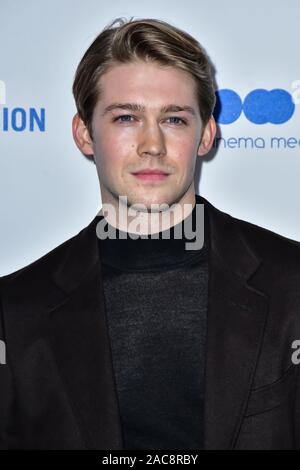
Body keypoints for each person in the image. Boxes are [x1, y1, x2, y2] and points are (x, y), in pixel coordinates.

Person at [1, 17, 300, 451]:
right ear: (84, 134)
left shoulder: (291, 284)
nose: (152, 145)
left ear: (206, 135)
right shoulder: (16, 310)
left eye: (174, 120)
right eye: (126, 117)